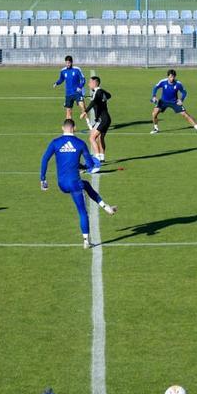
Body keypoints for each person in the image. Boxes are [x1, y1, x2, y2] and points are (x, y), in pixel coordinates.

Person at [40, 119, 116, 249]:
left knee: (85, 184)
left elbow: (45, 159)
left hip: (62, 184)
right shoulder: (80, 144)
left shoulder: (55, 143)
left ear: (62, 128)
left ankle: (106, 207)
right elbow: (90, 165)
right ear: (74, 128)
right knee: (82, 212)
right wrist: (85, 166)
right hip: (74, 184)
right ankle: (86, 241)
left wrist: (43, 179)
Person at [150, 69, 197, 135]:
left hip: (174, 102)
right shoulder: (163, 82)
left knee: (185, 115)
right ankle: (156, 128)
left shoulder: (178, 84)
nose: (172, 78)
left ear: (175, 76)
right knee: (154, 114)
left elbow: (184, 92)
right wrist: (154, 96)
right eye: (170, 77)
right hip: (163, 101)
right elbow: (155, 88)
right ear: (168, 76)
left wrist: (181, 100)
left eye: (173, 77)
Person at [79, 76, 112, 160]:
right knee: (100, 138)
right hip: (106, 119)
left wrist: (84, 112)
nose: (88, 84)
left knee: (92, 138)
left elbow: (93, 102)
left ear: (95, 83)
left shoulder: (98, 92)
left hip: (102, 119)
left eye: (90, 82)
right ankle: (102, 158)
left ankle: (97, 158)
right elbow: (109, 95)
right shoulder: (100, 92)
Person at [53, 55, 86, 121]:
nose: (67, 64)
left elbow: (83, 79)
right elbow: (61, 79)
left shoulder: (77, 69)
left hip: (77, 92)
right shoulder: (63, 71)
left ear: (71, 62)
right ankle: (70, 128)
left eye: (69, 63)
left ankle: (89, 125)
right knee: (68, 112)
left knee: (83, 108)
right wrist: (56, 83)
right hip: (68, 94)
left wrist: (80, 87)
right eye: (66, 63)